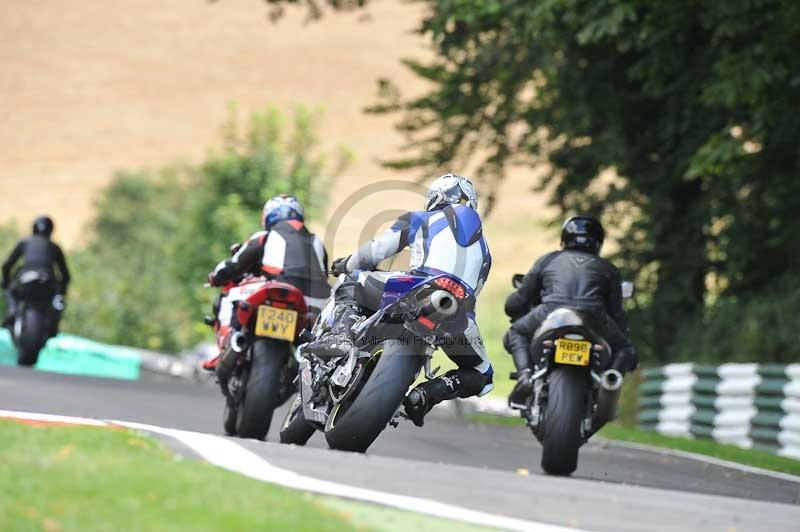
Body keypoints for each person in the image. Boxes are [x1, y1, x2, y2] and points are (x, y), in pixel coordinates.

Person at [307, 174, 494, 427]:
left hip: (416, 286)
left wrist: (345, 264)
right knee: (483, 374)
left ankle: (339, 335)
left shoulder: (419, 219)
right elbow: (475, 291)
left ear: (436, 197)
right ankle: (428, 394)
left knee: (355, 278)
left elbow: (376, 251)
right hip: (459, 312)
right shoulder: (485, 252)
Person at [503, 215, 638, 405]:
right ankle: (609, 381)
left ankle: (525, 375)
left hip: (550, 312)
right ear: (598, 242)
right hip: (593, 317)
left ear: (564, 238)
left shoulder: (548, 260)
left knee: (516, 332)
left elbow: (519, 300)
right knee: (626, 349)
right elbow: (616, 312)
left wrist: (514, 308)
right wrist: (622, 332)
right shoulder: (608, 268)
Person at [204, 194, 330, 369]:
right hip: (317, 303)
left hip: (277, 289)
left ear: (268, 216)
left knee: (228, 294)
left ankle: (229, 341)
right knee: (313, 350)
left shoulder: (265, 236)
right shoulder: (318, 242)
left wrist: (215, 277)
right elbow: (324, 274)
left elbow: (235, 265)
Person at [2, 216, 70, 330]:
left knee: (11, 292)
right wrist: (62, 294)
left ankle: (12, 311)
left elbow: (7, 266)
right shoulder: (55, 247)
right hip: (49, 283)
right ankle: (53, 323)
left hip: (25, 281)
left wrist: (6, 282)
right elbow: (65, 276)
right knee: (57, 304)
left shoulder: (25, 242)